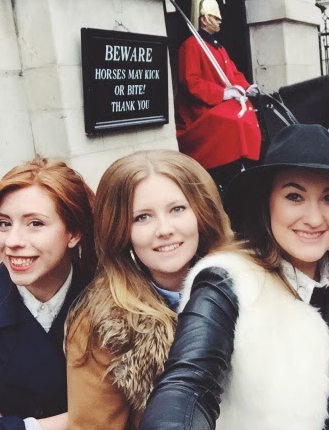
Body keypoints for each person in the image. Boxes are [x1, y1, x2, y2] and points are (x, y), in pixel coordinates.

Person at [140, 124, 329, 430]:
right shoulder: (227, 283)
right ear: (267, 203)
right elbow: (188, 382)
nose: (315, 218)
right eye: (294, 196)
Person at [65, 150, 233, 430]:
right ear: (120, 230)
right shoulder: (100, 325)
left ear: (202, 212)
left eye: (177, 209)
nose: (164, 229)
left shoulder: (250, 286)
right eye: (142, 217)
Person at [0, 159, 96, 430]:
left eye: (35, 223)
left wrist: (9, 425)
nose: (12, 241)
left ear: (74, 232)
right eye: (4, 223)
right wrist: (80, 418)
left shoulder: (111, 299)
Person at [175, 0, 261, 191]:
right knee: (233, 120)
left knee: (249, 112)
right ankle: (230, 169)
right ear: (204, 19)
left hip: (220, 102)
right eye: (215, 17)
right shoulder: (191, 45)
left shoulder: (218, 48)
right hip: (201, 108)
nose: (220, 21)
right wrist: (223, 94)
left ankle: (248, 160)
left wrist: (246, 87)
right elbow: (190, 82)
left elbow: (233, 73)